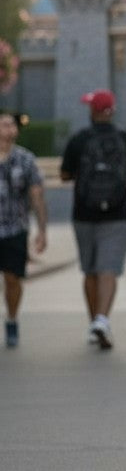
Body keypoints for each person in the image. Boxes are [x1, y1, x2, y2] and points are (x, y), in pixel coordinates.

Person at [60, 90, 126, 349]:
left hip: (83, 214)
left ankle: (93, 323)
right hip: (117, 214)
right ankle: (102, 319)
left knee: (90, 270)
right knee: (108, 269)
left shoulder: (79, 139)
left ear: (92, 111)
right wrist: (122, 174)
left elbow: (64, 175)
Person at [0, 111, 48, 346]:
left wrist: (42, 230)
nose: (8, 128)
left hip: (15, 228)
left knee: (12, 279)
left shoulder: (25, 159)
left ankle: (11, 319)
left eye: (11, 124)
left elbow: (37, 194)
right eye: (3, 124)